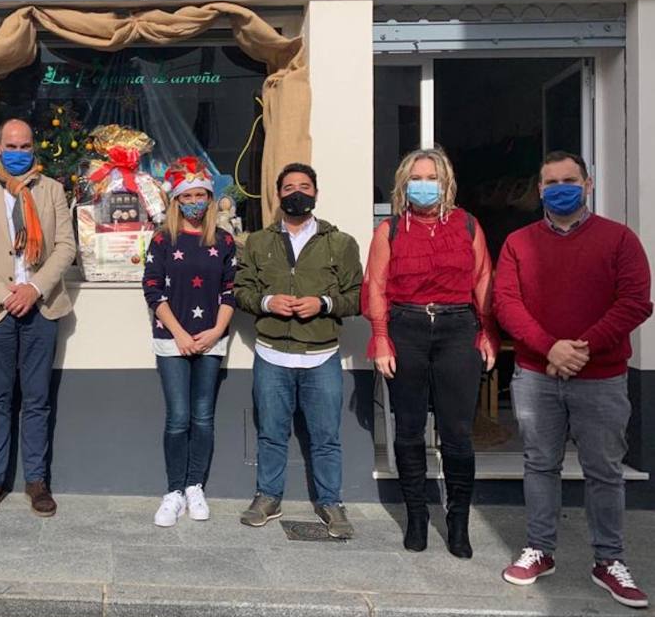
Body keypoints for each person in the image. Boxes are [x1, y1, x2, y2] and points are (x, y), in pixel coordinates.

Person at [495, 151, 652, 608]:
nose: (560, 188)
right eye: (551, 182)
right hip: (536, 375)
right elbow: (506, 303)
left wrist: (581, 348)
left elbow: (635, 301)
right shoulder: (518, 243)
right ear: (539, 190)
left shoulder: (620, 240)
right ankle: (540, 549)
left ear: (588, 184)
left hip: (602, 376)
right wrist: (550, 348)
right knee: (540, 464)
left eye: (570, 180)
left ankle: (609, 560)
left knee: (604, 470)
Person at [362, 147, 498, 558]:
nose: (425, 185)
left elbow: (483, 280)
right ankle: (417, 517)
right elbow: (376, 286)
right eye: (417, 178)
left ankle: (458, 522)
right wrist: (381, 337)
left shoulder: (468, 225)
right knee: (408, 430)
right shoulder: (389, 230)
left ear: (446, 183)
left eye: (432, 178)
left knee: (457, 433)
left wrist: (487, 332)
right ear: (404, 185)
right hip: (406, 327)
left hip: (458, 328)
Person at [234, 163, 363, 539]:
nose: (297, 193)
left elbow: (357, 297)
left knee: (326, 436)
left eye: (304, 186)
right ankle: (268, 497)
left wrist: (323, 303)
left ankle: (331, 502)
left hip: (321, 355)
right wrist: (267, 301)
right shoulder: (258, 242)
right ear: (278, 195)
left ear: (316, 193)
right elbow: (241, 290)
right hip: (272, 354)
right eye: (289, 187)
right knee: (271, 433)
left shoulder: (341, 243)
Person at [0, 117, 76, 519]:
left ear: (33, 148)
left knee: (38, 399)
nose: (19, 152)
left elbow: (65, 247)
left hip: (41, 308)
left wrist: (34, 288)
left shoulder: (52, 190)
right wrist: (5, 294)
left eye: (25, 146)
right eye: (11, 146)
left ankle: (36, 481)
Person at [142, 157, 236, 527]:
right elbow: (152, 289)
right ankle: (174, 490)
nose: (195, 201)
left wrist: (216, 331)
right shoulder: (163, 239)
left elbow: (230, 291)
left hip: (211, 340)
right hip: (172, 340)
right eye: (188, 195)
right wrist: (179, 333)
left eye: (201, 195)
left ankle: (195, 485)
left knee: (203, 417)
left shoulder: (224, 241)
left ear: (210, 199)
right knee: (178, 418)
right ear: (177, 200)